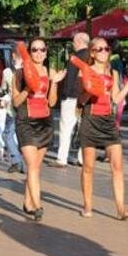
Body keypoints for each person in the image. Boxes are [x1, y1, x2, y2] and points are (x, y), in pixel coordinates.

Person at [78, 37, 128, 220]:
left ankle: (121, 209)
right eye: (99, 49)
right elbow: (81, 101)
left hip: (108, 122)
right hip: (90, 120)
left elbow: (116, 99)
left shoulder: (113, 72)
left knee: (117, 166)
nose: (103, 52)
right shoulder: (85, 71)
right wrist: (90, 91)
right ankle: (88, 206)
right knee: (89, 168)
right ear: (92, 53)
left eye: (106, 49)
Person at [13, 38, 66, 221]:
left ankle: (28, 203)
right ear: (29, 52)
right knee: (31, 166)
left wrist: (55, 82)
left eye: (42, 50)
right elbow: (15, 101)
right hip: (26, 123)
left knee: (35, 167)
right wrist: (29, 87)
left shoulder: (49, 71)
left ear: (46, 52)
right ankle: (37, 205)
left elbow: (51, 102)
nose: (38, 53)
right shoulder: (19, 73)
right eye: (34, 50)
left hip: (44, 123)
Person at [54, 32, 89, 167]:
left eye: (74, 42)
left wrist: (65, 94)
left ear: (79, 41)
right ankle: (81, 158)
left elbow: (70, 79)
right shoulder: (91, 57)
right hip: (85, 96)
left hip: (72, 96)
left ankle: (62, 158)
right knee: (83, 128)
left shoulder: (75, 58)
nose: (73, 44)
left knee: (66, 127)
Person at [1, 49, 25, 174]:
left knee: (7, 134)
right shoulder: (29, 70)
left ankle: (17, 160)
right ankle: (25, 164)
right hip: (26, 108)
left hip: (12, 108)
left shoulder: (7, 71)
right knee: (24, 137)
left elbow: (4, 89)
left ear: (13, 55)